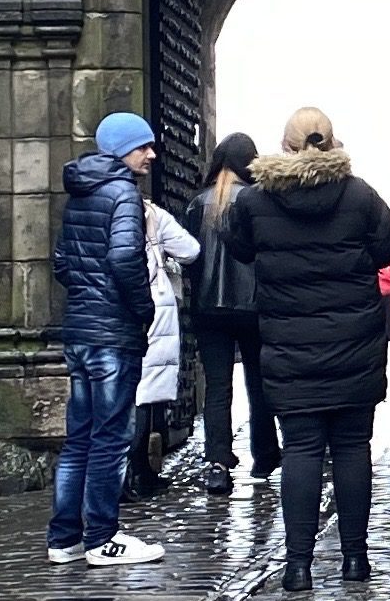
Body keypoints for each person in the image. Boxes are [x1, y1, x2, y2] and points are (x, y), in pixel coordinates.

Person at [223, 107, 390, 593]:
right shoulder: (359, 194)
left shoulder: (256, 201)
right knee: (351, 447)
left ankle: (298, 566)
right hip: (353, 345)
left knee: (300, 449)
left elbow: (236, 245)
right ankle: (354, 560)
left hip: (288, 345)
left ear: (284, 146)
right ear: (332, 142)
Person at [47, 112, 165, 567]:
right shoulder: (122, 194)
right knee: (111, 436)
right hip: (111, 332)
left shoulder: (81, 193)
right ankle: (102, 537)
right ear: (121, 150)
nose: (151, 155)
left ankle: (65, 539)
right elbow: (122, 258)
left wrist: (85, 291)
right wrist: (143, 308)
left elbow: (61, 262)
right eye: (143, 147)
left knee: (79, 437)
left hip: (79, 329)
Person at [183, 133, 281, 496]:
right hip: (254, 307)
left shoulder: (197, 205)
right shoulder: (259, 201)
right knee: (259, 382)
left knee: (218, 387)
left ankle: (218, 463)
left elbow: (190, 258)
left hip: (209, 308)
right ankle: (266, 453)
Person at [128, 199, 199, 498]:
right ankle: (135, 473)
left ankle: (136, 471)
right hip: (152, 305)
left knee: (130, 390)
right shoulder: (150, 213)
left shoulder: (93, 205)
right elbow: (190, 250)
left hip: (114, 305)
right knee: (145, 394)